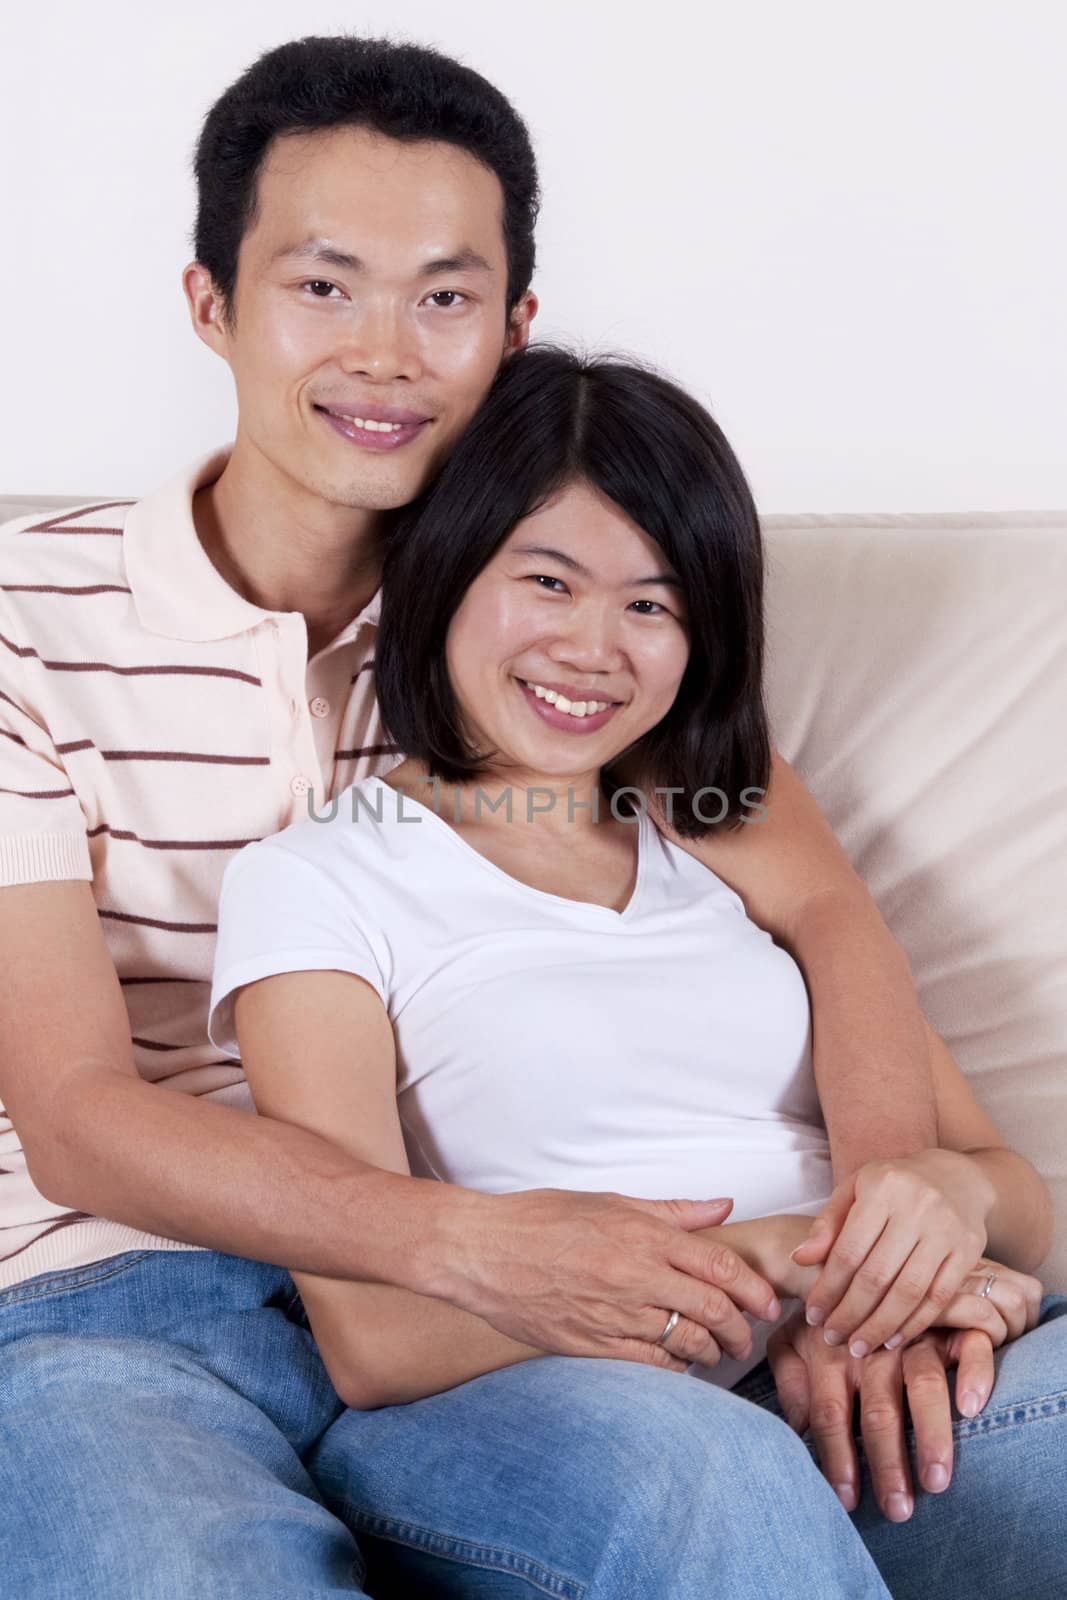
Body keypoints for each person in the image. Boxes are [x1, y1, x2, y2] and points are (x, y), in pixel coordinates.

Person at [0, 32, 1043, 1598]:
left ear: (512, 324)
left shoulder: (537, 634)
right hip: (134, 1302)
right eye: (323, 284)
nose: (385, 352)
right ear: (211, 302)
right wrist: (450, 1247)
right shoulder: (25, 627)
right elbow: (76, 1112)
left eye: (443, 296)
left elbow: (817, 900)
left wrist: (876, 1240)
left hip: (548, 1311)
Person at [206, 343, 1065, 1598]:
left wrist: (936, 1219)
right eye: (546, 580)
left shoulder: (723, 812)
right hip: (555, 1412)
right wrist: (821, 1275)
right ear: (445, 572)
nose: (593, 648)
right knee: (709, 1477)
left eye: (651, 605)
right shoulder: (318, 879)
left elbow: (1018, 1206)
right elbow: (375, 1337)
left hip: (869, 1373)